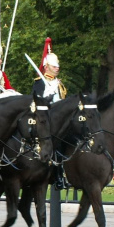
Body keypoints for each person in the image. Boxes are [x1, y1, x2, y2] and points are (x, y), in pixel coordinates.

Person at [31, 37, 69, 190]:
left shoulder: (59, 83)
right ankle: (57, 174)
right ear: (46, 67)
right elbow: (37, 102)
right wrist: (49, 94)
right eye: (54, 66)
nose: (57, 68)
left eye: (57, 66)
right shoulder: (39, 82)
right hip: (47, 118)